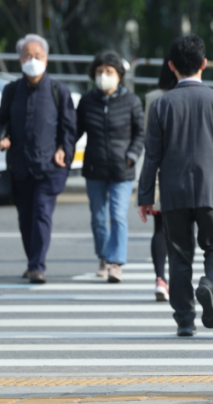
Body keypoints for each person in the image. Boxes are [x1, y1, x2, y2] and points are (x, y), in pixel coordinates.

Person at [138, 35, 213, 337]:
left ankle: (185, 320)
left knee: (179, 256)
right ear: (204, 64)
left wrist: (146, 195)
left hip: (173, 193)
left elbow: (152, 155)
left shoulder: (161, 105)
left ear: (171, 66)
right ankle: (210, 284)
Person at [0, 34, 77, 284]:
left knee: (41, 213)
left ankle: (37, 266)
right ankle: (33, 262)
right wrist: (1, 137)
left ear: (46, 59)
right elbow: (0, 122)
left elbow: (69, 128)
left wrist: (64, 149)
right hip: (20, 165)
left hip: (50, 166)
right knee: (25, 217)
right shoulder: (11, 90)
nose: (33, 60)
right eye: (27, 56)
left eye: (38, 56)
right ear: (20, 60)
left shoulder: (58, 90)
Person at [76, 51, 145, 284]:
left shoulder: (132, 101)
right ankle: (104, 257)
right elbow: (74, 131)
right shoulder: (87, 101)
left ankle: (115, 262)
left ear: (119, 75)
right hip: (94, 167)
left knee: (117, 216)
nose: (103, 76)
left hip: (121, 169)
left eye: (109, 72)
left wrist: (132, 155)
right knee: (97, 218)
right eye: (99, 72)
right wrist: (61, 149)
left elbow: (140, 133)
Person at [143, 56, 177, 301]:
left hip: (159, 171)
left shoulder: (152, 98)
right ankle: (176, 278)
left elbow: (150, 142)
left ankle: (160, 279)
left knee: (159, 229)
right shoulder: (196, 96)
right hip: (187, 175)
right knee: (182, 231)